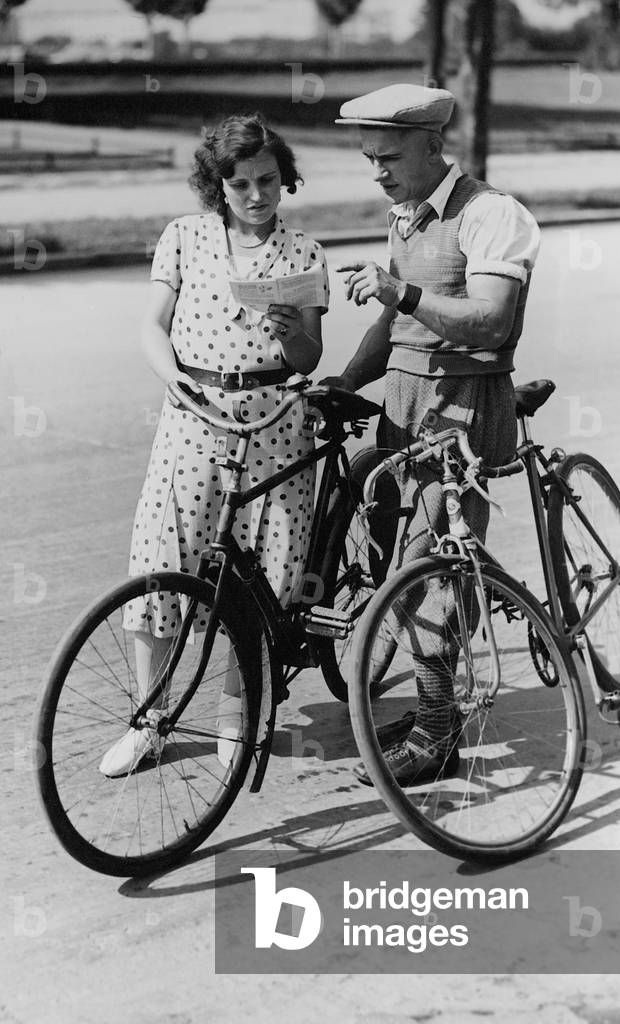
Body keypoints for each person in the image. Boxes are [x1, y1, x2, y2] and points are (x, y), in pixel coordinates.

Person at [99, 113, 329, 777]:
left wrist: (290, 332)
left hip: (275, 423)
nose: (256, 195)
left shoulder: (304, 252)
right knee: (161, 555)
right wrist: (169, 374)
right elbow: (152, 324)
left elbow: (310, 355)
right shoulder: (184, 238)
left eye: (267, 180)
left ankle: (235, 714)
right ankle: (149, 720)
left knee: (261, 569)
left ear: (283, 176)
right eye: (240, 185)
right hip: (193, 414)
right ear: (217, 186)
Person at [325, 83, 541, 787]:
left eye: (387, 157)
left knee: (429, 569)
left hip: (461, 407)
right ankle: (430, 703)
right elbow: (392, 327)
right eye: (369, 159)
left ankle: (438, 733)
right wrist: (343, 383)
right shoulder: (407, 215)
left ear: (430, 146)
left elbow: (491, 321)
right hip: (405, 400)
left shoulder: (491, 215)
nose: (377, 172)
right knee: (392, 559)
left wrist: (402, 293)